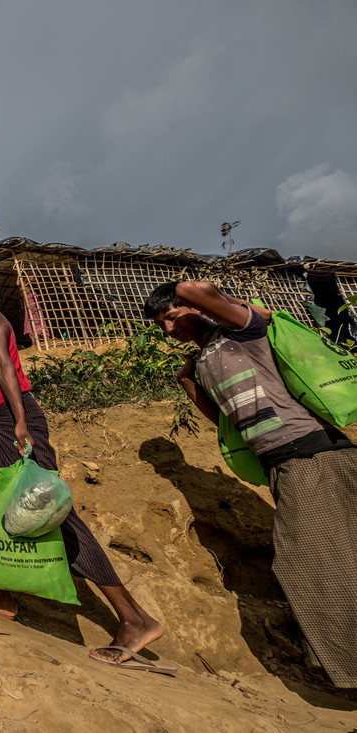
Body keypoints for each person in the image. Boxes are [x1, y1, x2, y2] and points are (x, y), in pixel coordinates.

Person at [0, 280, 165, 666]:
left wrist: (20, 422)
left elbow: (4, 363)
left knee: (50, 516)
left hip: (14, 418)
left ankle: (134, 619)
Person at [145, 280, 357, 687]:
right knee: (326, 562)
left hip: (312, 455)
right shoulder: (206, 357)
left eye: (172, 317)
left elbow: (192, 288)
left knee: (310, 563)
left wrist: (232, 305)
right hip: (287, 465)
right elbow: (229, 425)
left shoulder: (243, 330)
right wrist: (188, 381)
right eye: (161, 326)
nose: (169, 331)